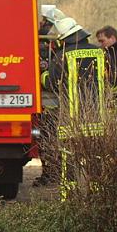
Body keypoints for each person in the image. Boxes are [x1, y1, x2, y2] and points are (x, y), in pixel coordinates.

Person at [45, 17, 106, 197]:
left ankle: (70, 197)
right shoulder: (99, 52)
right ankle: (97, 195)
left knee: (69, 159)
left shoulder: (62, 56)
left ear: (64, 39)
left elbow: (53, 83)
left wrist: (43, 75)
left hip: (71, 118)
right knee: (96, 158)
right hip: (97, 116)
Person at [34, 6, 66, 186]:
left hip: (49, 100)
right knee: (53, 138)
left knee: (48, 138)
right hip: (54, 100)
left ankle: (51, 173)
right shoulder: (55, 43)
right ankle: (56, 173)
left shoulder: (45, 43)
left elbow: (48, 74)